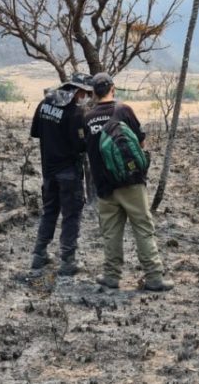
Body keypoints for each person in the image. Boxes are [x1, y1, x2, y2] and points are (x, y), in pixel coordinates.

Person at [84, 72, 173, 291]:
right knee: (142, 227)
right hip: (131, 181)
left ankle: (112, 276)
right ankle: (154, 277)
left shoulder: (87, 118)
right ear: (113, 89)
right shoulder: (123, 110)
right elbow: (141, 142)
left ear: (93, 92)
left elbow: (87, 151)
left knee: (111, 231)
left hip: (104, 186)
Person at [29, 73, 92, 276]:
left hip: (48, 170)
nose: (86, 97)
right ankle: (67, 261)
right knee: (71, 215)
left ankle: (39, 255)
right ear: (78, 91)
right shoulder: (75, 113)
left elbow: (36, 133)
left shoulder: (43, 104)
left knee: (49, 211)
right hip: (69, 173)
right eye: (85, 93)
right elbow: (81, 146)